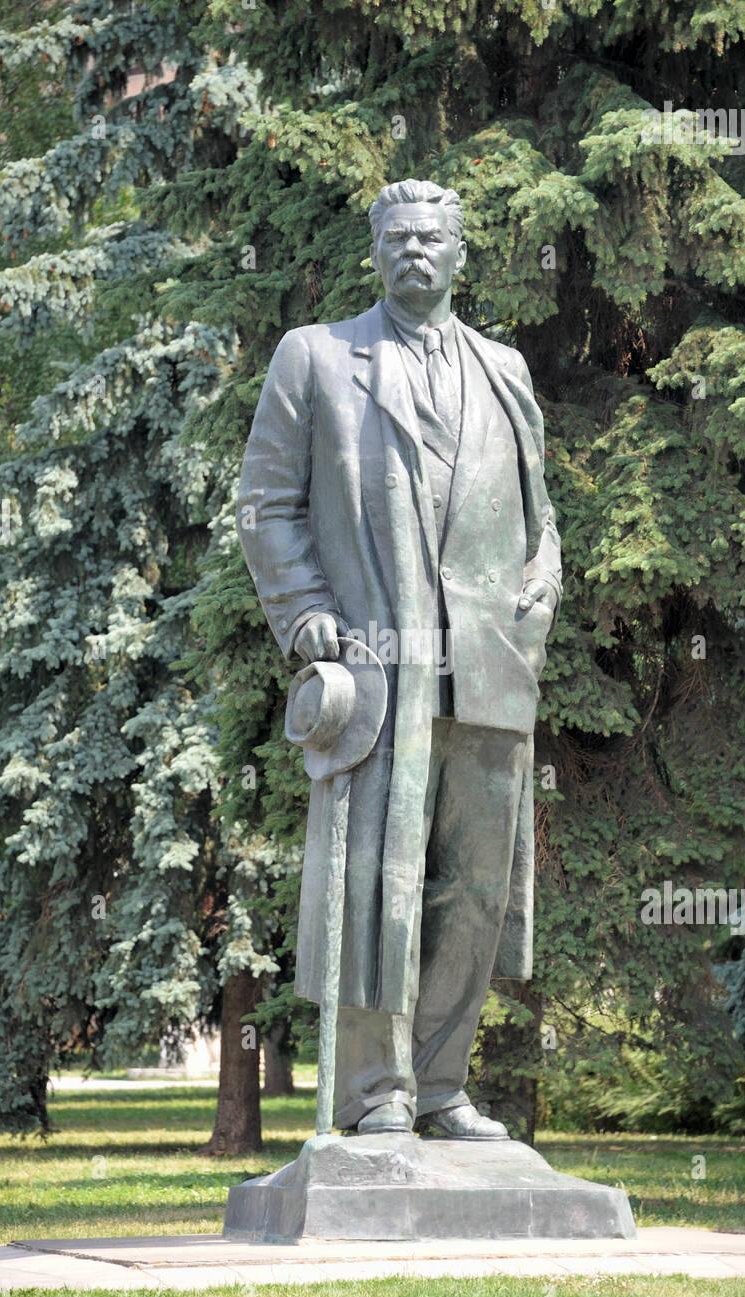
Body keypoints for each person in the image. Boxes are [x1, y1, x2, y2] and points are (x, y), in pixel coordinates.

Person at [237, 178, 562, 1138]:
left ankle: (444, 1084)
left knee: (475, 888)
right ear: (374, 254)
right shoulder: (319, 360)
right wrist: (304, 614)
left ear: (462, 256)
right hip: (380, 666)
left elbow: (541, 520)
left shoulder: (505, 370)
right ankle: (376, 1093)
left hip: (489, 668)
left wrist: (545, 580)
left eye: (434, 238)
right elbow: (265, 506)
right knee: (378, 880)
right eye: (399, 239)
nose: (417, 251)